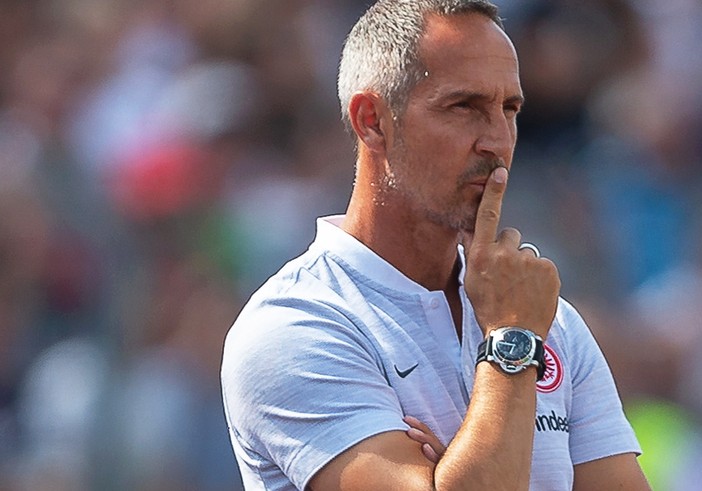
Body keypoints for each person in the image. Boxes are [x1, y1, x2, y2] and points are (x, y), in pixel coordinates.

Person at [220, 1, 649, 489]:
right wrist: (511, 346)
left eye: (509, 109)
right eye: (464, 107)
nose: (497, 140)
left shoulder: (550, 318)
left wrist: (464, 469)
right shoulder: (296, 325)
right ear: (372, 120)